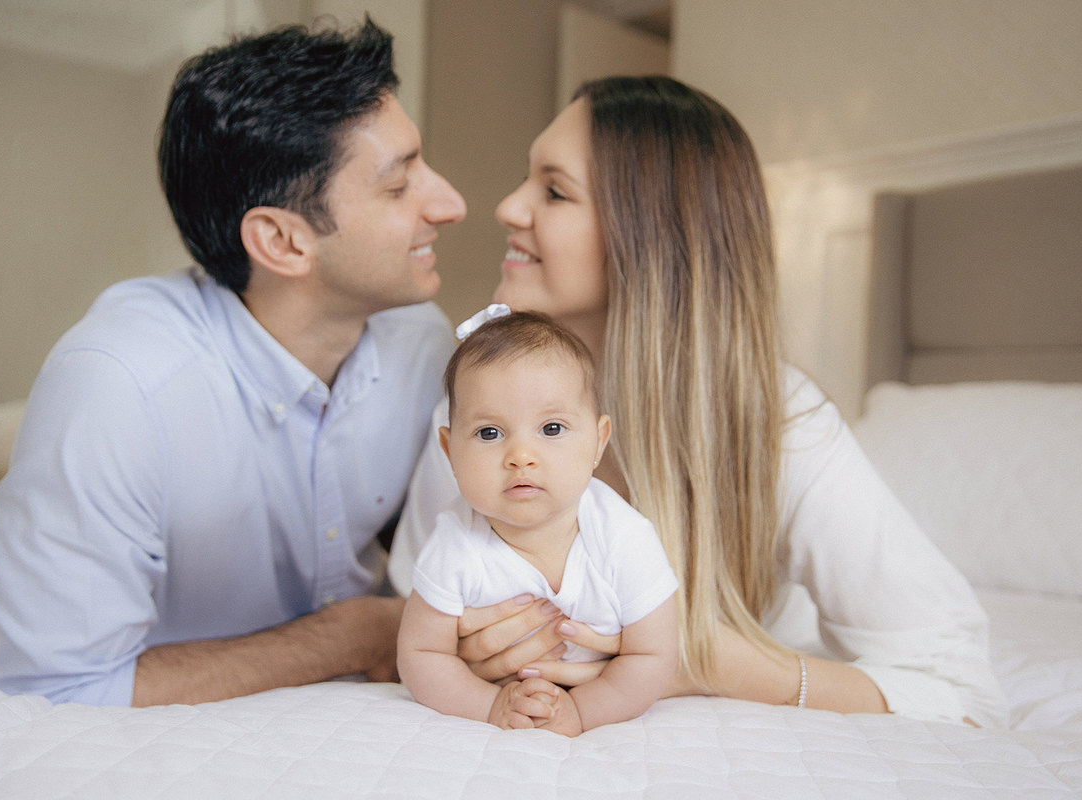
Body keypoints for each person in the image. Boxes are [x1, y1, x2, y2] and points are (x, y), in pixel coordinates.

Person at [388, 76, 1007, 727]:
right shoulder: (483, 405)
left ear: (652, 234)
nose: (509, 207)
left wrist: (710, 664)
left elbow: (965, 694)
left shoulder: (778, 421)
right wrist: (466, 657)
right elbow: (417, 607)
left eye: (554, 190)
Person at [0, 18, 466, 706]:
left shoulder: (422, 342)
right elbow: (60, 688)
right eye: (398, 187)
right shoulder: (119, 386)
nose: (451, 204)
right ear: (281, 240)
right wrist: (351, 637)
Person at [397, 310, 678, 735]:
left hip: (595, 692)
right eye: (490, 433)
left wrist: (583, 711)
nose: (521, 455)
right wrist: (490, 704)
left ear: (598, 442)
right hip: (495, 689)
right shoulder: (455, 543)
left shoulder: (623, 537)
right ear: (449, 451)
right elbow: (420, 655)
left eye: (551, 428)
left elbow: (653, 656)